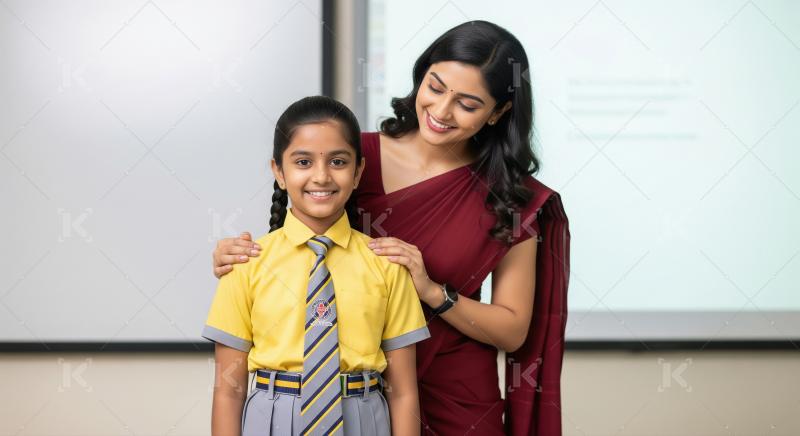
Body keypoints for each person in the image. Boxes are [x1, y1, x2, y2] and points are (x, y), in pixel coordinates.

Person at [213, 21, 570, 435]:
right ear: (421, 75)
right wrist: (234, 256)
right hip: (338, 391)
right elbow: (296, 253)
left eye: (467, 105)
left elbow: (512, 331)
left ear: (499, 112)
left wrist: (432, 291)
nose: (440, 112)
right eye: (435, 87)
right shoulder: (348, 156)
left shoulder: (510, 198)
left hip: (454, 396)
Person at [203, 95, 430, 435]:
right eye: (303, 162)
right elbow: (229, 390)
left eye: (338, 162)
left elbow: (404, 392)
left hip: (363, 419)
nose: (321, 176)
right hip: (272, 419)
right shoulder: (246, 262)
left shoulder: (386, 265)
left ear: (358, 173)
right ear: (278, 171)